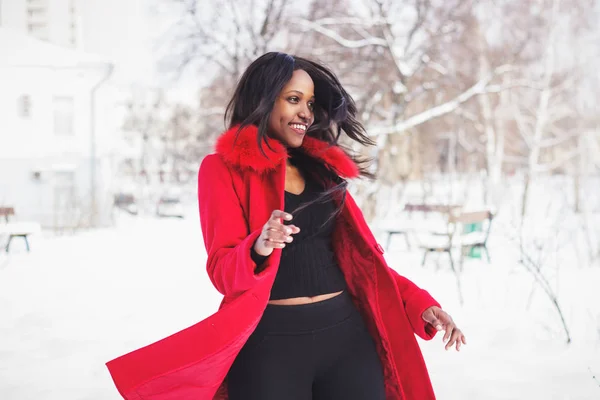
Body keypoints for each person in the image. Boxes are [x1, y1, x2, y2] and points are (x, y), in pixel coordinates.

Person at [104, 52, 466, 400]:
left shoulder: (322, 171)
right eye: (294, 99)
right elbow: (221, 271)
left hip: (347, 338)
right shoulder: (222, 169)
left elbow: (365, 263)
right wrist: (258, 245)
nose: (305, 113)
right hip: (271, 347)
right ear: (263, 100)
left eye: (309, 103)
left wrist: (420, 304)